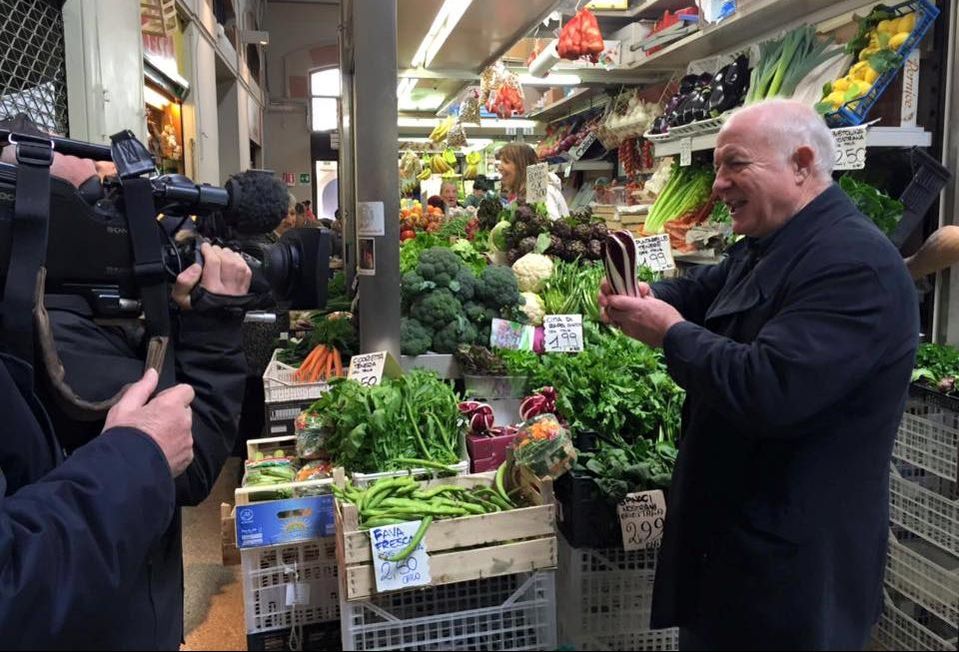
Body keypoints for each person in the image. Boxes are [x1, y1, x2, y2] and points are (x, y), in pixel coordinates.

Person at [598, 99, 918, 650]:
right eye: (718, 168)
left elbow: (769, 387)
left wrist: (670, 332)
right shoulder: (775, 240)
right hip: (739, 538)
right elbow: (709, 292)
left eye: (735, 165)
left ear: (800, 164)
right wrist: (647, 298)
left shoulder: (852, 263)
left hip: (795, 560)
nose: (718, 184)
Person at [0, 138, 252, 648]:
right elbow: (193, 463)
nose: (116, 222)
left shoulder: (59, 316)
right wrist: (137, 455)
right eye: (94, 201)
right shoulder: (51, 333)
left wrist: (181, 319)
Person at [497, 142, 569, 220]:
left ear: (521, 166)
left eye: (506, 162)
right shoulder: (524, 194)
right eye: (501, 162)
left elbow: (552, 227)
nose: (499, 167)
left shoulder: (543, 193)